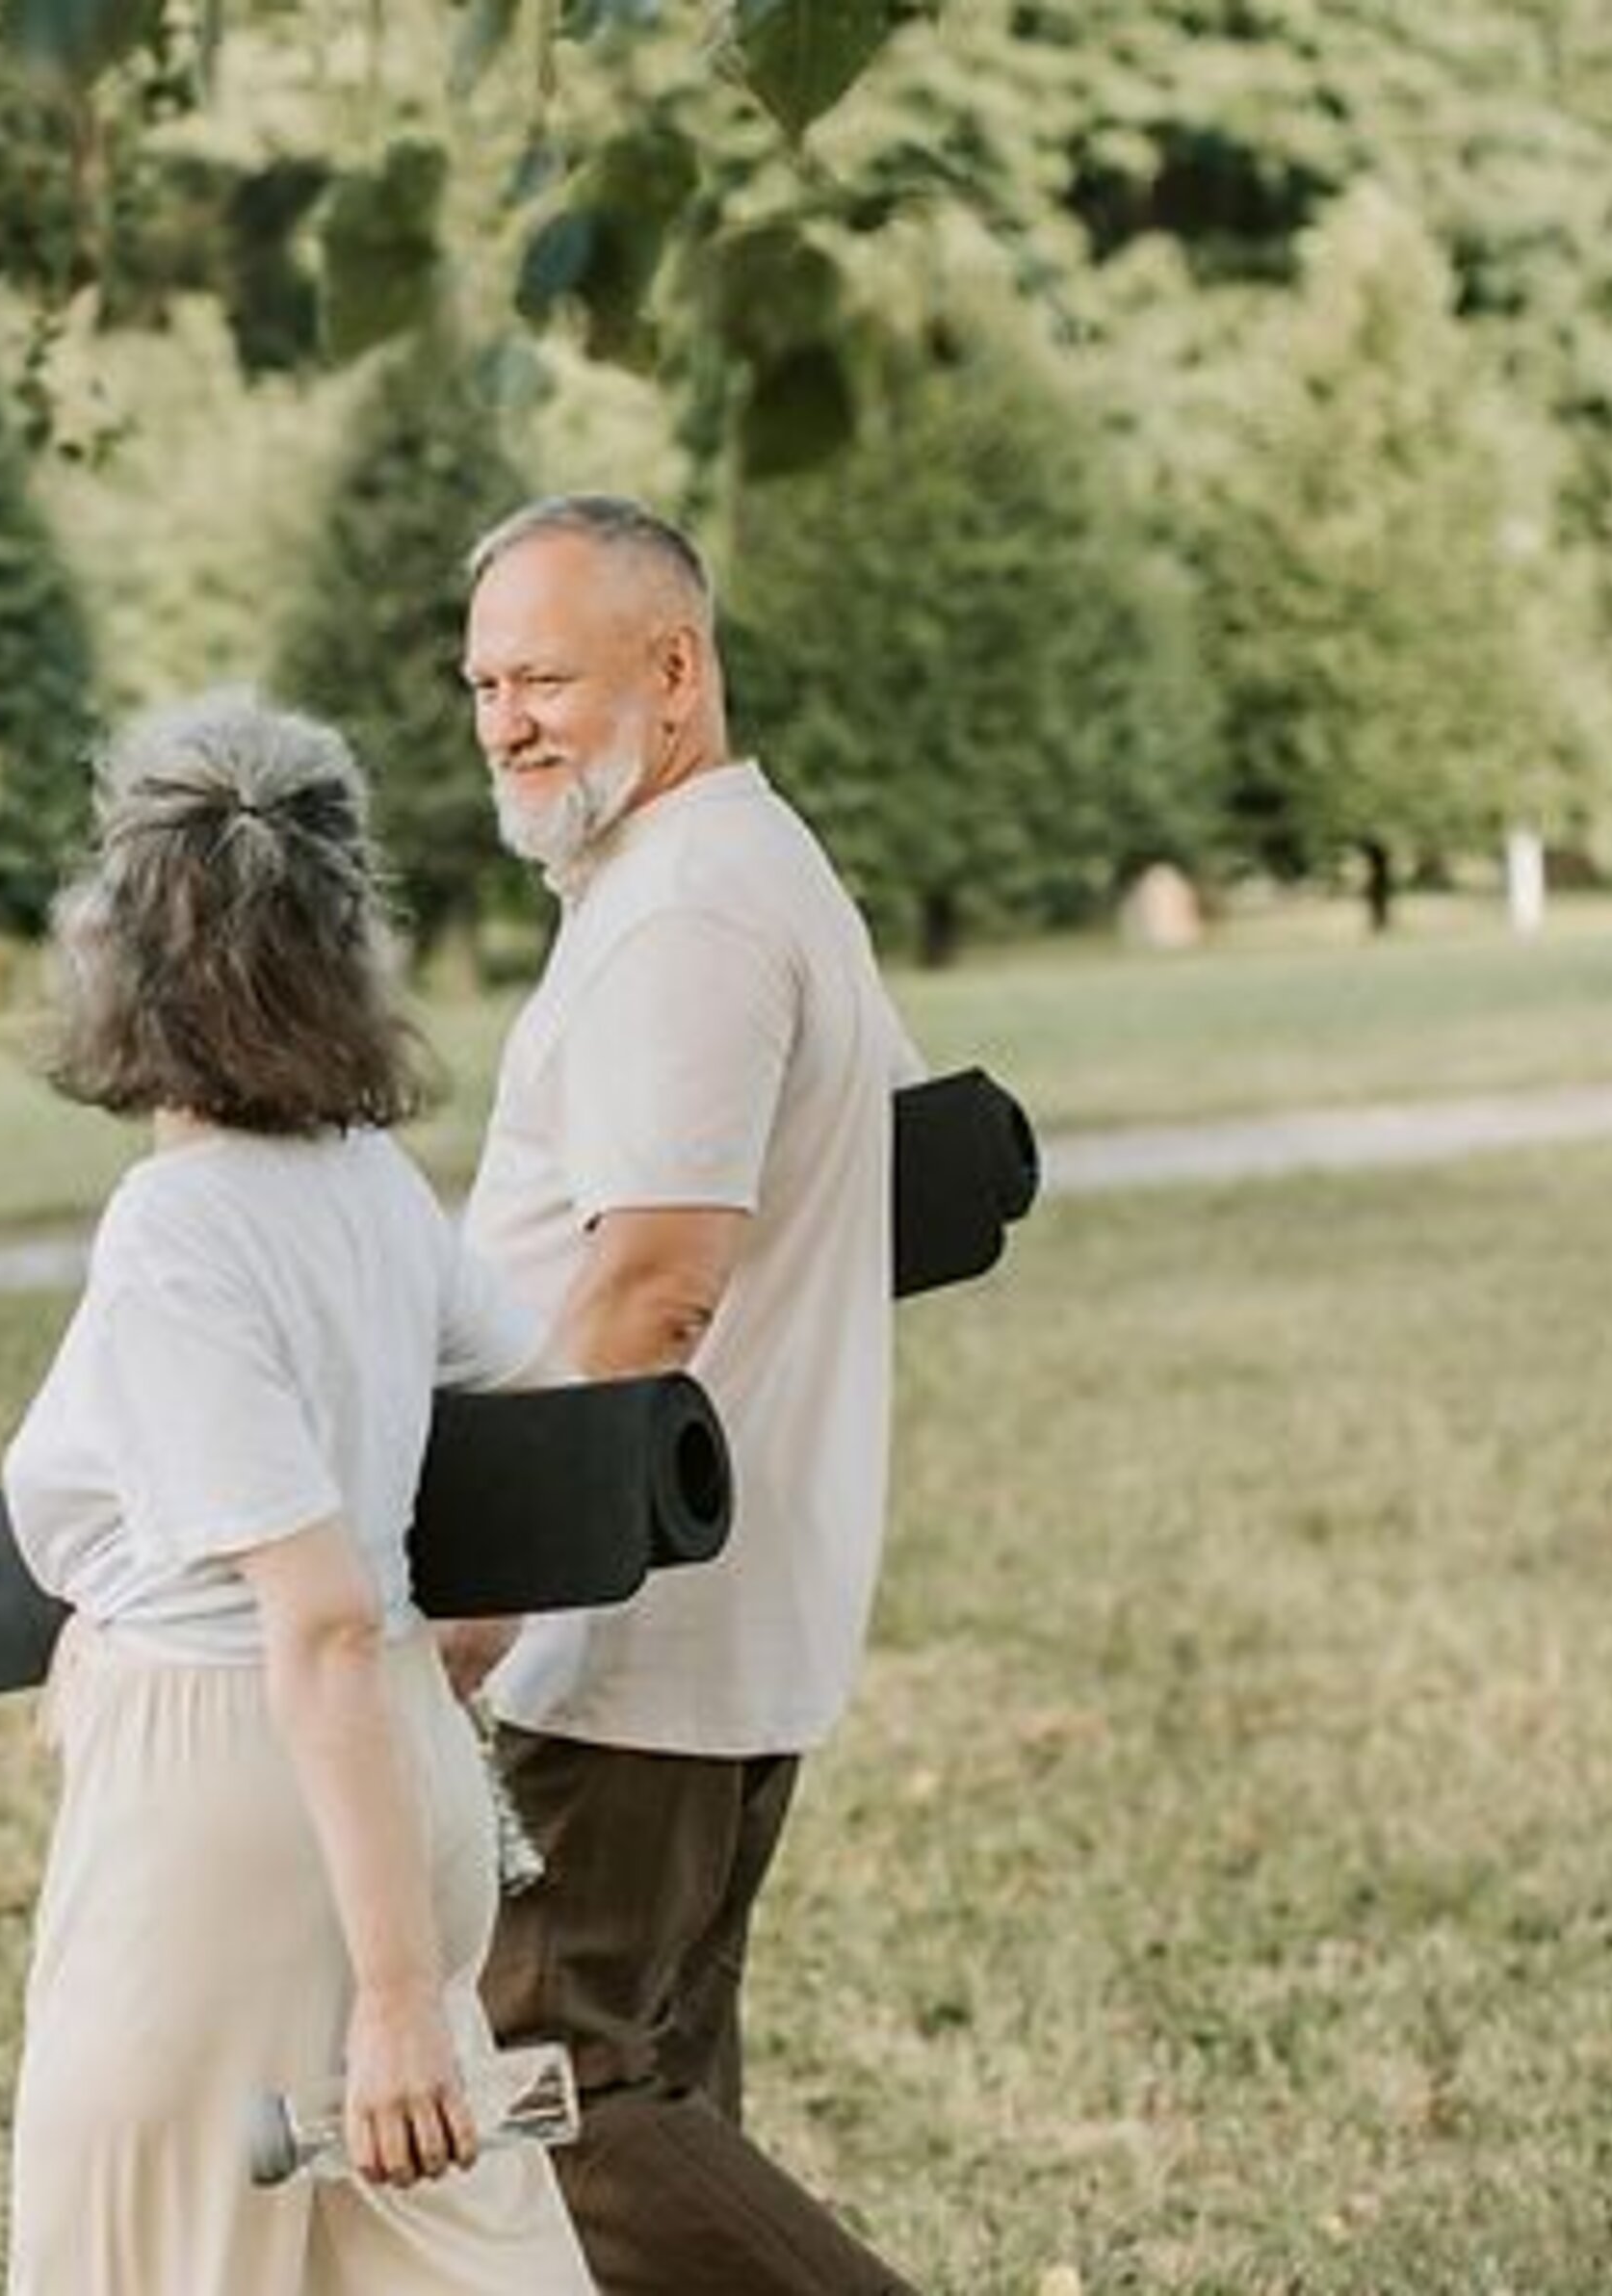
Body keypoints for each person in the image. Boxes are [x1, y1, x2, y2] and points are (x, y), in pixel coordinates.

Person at [0, 689, 594, 2296]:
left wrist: (396, 1995)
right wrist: (460, 1642)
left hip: (229, 1809)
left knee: (149, 2259)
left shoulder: (177, 1235)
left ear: (116, 947)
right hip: (393, 1770)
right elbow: (539, 1418)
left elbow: (315, 1614)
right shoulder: (366, 1189)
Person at [448, 494, 925, 2294]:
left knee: (543, 2088)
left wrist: (494, 1588)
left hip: (630, 1617)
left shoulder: (688, 914)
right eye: (485, 681)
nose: (507, 720)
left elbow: (655, 1278)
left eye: (547, 675)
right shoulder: (731, 868)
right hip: (702, 1598)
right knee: (655, 2089)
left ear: (674, 667)